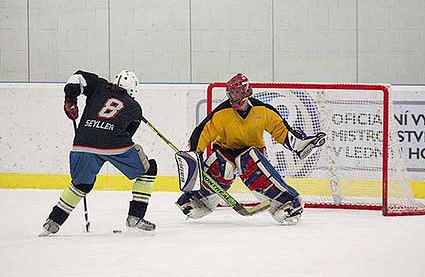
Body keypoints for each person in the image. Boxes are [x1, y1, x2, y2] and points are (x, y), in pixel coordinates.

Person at [175, 73, 326, 225]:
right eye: (231, 93)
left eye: (238, 93)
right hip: (226, 151)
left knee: (251, 162)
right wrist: (195, 156)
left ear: (247, 92)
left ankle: (286, 203)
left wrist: (300, 144)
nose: (234, 97)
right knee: (222, 166)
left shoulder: (263, 110)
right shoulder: (222, 113)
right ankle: (196, 200)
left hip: (253, 152)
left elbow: (282, 131)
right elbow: (202, 133)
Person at [39, 70, 157, 236]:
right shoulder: (135, 108)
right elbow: (128, 135)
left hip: (83, 143)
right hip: (115, 145)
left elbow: (77, 77)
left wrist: (70, 100)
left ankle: (52, 222)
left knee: (81, 185)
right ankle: (135, 217)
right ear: (133, 90)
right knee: (149, 169)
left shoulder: (100, 86)